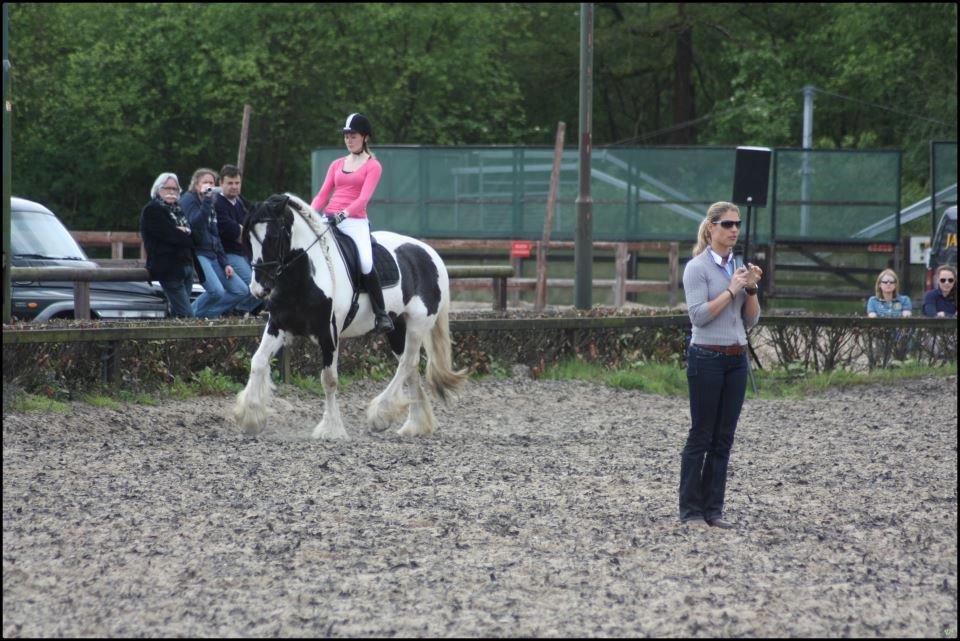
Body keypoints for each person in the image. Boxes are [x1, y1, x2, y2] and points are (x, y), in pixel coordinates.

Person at [679, 201, 762, 530]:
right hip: (707, 357)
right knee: (701, 435)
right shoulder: (697, 268)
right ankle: (690, 510)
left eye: (737, 224)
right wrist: (731, 290)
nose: (734, 230)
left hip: (735, 358)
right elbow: (698, 315)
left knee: (724, 438)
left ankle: (714, 508)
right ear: (711, 227)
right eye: (727, 224)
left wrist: (751, 288)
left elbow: (752, 319)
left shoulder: (738, 268)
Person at [310, 112, 393, 332]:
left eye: (353, 135)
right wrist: (309, 213)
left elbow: (363, 199)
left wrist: (344, 214)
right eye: (346, 135)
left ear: (365, 137)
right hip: (329, 218)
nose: (348, 139)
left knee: (365, 262)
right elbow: (322, 194)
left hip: (354, 221)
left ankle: (381, 314)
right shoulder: (337, 164)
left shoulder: (373, 166)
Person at [181, 168, 251, 318]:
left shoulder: (212, 202)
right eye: (205, 182)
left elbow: (216, 235)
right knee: (216, 291)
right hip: (198, 253)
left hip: (215, 254)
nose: (209, 185)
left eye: (211, 182)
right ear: (196, 184)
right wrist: (207, 200)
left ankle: (205, 317)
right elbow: (196, 224)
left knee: (241, 290)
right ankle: (187, 316)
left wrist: (225, 262)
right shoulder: (189, 199)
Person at [139, 173, 198, 318]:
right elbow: (170, 237)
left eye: (175, 189)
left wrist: (183, 233)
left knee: (177, 314)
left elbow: (196, 238)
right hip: (169, 269)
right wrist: (184, 234)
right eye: (167, 188)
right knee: (187, 315)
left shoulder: (179, 210)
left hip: (186, 267)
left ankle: (174, 340)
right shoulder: (152, 210)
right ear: (158, 189)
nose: (171, 192)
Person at [213, 164, 260, 315]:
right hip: (227, 254)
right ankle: (222, 312)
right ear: (221, 184)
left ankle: (237, 312)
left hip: (244, 253)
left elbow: (252, 225)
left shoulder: (239, 202)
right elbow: (237, 233)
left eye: (237, 183)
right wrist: (244, 231)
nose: (234, 187)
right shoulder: (217, 203)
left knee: (264, 285)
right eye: (230, 183)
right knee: (253, 286)